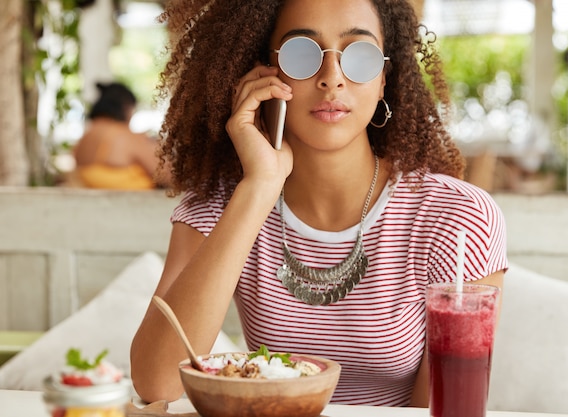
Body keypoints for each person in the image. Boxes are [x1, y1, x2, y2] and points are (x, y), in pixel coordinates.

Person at [130, 0, 507, 407]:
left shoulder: (457, 219)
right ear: (263, 72)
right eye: (301, 53)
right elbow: (157, 383)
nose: (332, 78)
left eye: (359, 55)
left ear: (384, 78)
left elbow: (445, 408)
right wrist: (259, 186)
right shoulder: (222, 204)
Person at [72, 82, 170, 189]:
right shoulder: (124, 135)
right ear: (127, 107)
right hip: (135, 203)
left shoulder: (84, 138)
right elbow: (167, 176)